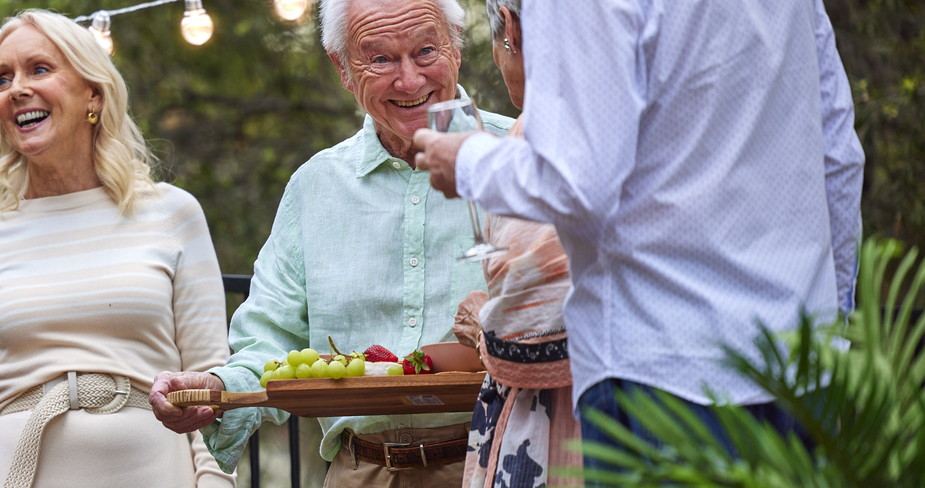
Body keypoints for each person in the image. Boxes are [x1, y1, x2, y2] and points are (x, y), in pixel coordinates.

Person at [410, 0, 864, 472]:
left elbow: (579, 181)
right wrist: (831, 332)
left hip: (665, 383)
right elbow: (839, 157)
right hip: (803, 372)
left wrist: (466, 162)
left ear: (510, 25)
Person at [147, 0, 511, 485]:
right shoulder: (313, 187)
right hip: (357, 473)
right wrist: (216, 390)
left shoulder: (521, 158)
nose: (408, 80)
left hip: (494, 461)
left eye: (426, 51)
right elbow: (269, 339)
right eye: (380, 59)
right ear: (342, 68)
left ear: (457, 47)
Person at [0, 9, 232, 488]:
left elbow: (210, 385)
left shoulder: (172, 214)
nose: (17, 89)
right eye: (2, 78)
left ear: (92, 94)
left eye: (39, 69)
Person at [445, 6, 582, 484]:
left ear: (512, 25)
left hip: (565, 435)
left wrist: (483, 324)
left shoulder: (537, 131)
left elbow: (530, 334)